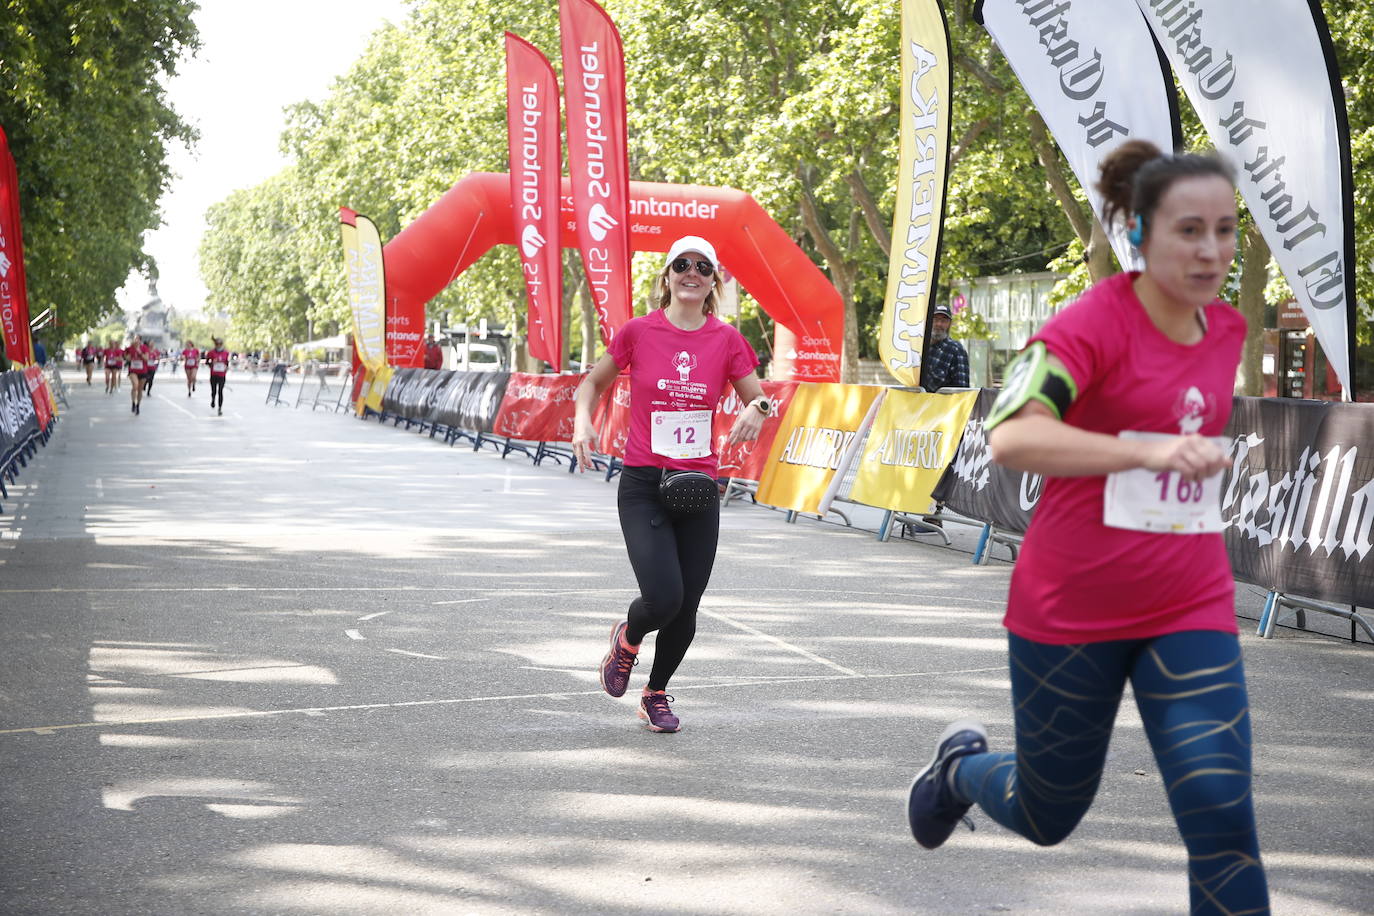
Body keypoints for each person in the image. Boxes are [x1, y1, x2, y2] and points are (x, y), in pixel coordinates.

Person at [904, 140, 1268, 914]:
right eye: (1189, 230)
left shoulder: (1227, 331)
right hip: (1073, 608)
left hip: (1187, 600)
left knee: (1222, 815)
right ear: (1138, 233)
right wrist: (1150, 453)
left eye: (1225, 230)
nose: (1211, 251)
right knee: (1048, 814)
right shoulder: (1091, 324)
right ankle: (960, 772)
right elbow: (1012, 436)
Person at [572, 236, 769, 733]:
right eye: (682, 265)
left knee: (688, 607)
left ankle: (655, 693)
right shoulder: (639, 331)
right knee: (663, 598)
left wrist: (755, 408)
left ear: (713, 282)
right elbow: (592, 383)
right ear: (667, 276)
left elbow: (761, 399)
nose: (692, 273)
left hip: (699, 486)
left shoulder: (726, 339)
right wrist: (582, 421)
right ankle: (628, 636)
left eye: (703, 267)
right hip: (643, 482)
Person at [918, 303, 969, 391]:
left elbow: (962, 391)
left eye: (944, 321)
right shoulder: (918, 346)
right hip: (914, 402)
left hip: (941, 404)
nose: (939, 324)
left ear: (949, 324)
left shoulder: (956, 350)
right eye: (935, 319)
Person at [206, 337, 230, 416]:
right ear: (215, 344)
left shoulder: (226, 353)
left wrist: (226, 367)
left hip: (222, 375)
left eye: (220, 344)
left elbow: (227, 363)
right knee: (214, 391)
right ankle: (213, 399)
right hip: (213, 374)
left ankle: (220, 408)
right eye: (217, 344)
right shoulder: (211, 352)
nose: (218, 345)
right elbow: (207, 362)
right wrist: (212, 363)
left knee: (220, 391)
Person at [124, 335, 147, 415]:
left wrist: (139, 352)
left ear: (140, 340)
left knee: (140, 390)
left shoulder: (144, 348)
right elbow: (127, 358)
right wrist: (129, 355)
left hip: (143, 371)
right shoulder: (130, 348)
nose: (136, 340)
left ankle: (138, 405)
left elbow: (146, 358)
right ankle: (133, 402)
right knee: (135, 385)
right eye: (135, 339)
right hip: (133, 370)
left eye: (137, 339)